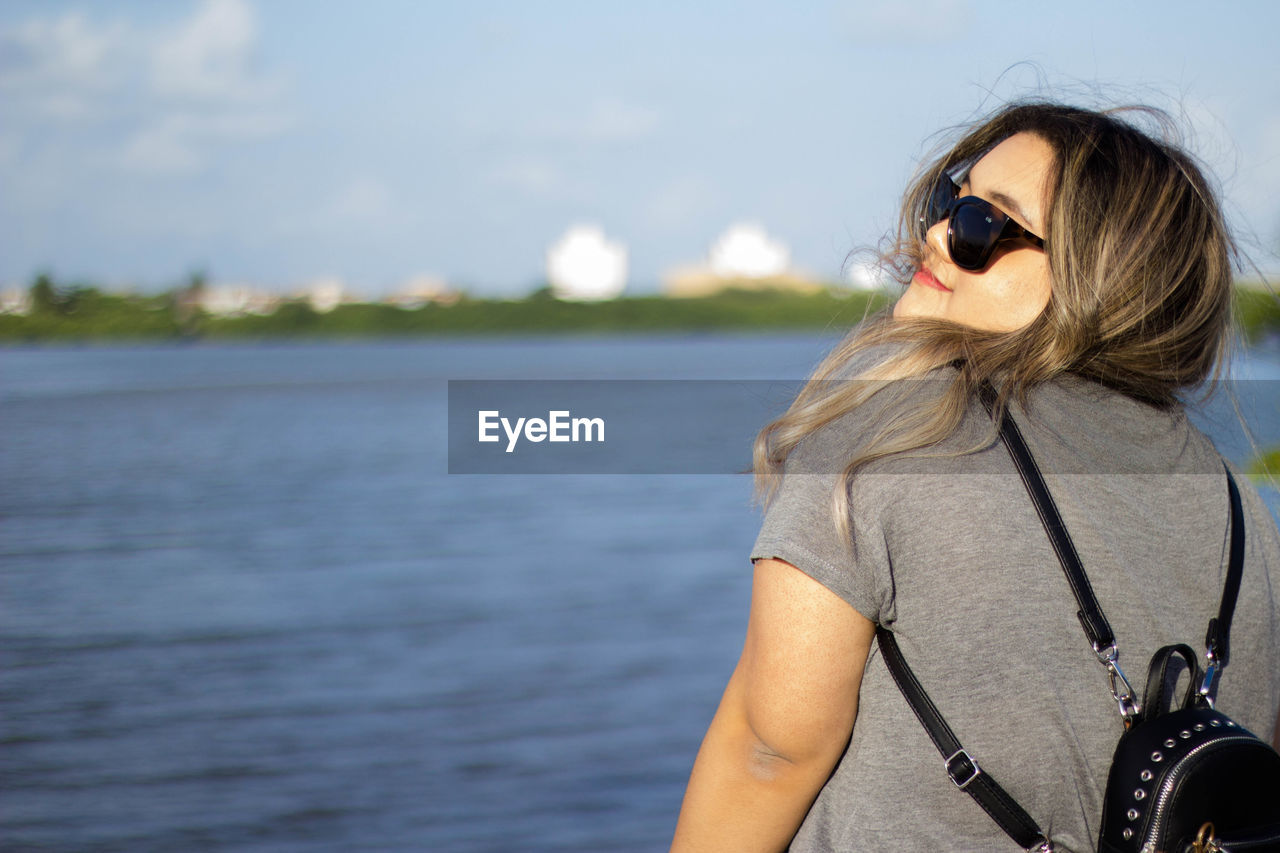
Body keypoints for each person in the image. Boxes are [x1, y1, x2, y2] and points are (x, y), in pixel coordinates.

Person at [670, 102, 1280, 852]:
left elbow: (769, 751)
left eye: (984, 227)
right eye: (949, 203)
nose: (936, 233)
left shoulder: (892, 433)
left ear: (1097, 278)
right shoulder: (1241, 504)